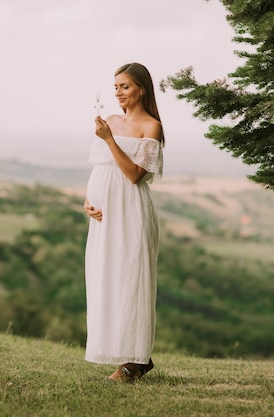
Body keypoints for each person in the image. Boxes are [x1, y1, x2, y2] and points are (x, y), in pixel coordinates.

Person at [84, 62, 164, 383]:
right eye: (115, 86)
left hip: (131, 211)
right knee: (107, 277)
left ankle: (134, 361)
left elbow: (133, 175)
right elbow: (101, 168)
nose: (118, 93)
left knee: (132, 278)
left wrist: (109, 139)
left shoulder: (151, 127)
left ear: (141, 89)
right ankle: (129, 353)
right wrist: (89, 201)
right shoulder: (112, 120)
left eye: (125, 86)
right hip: (104, 216)